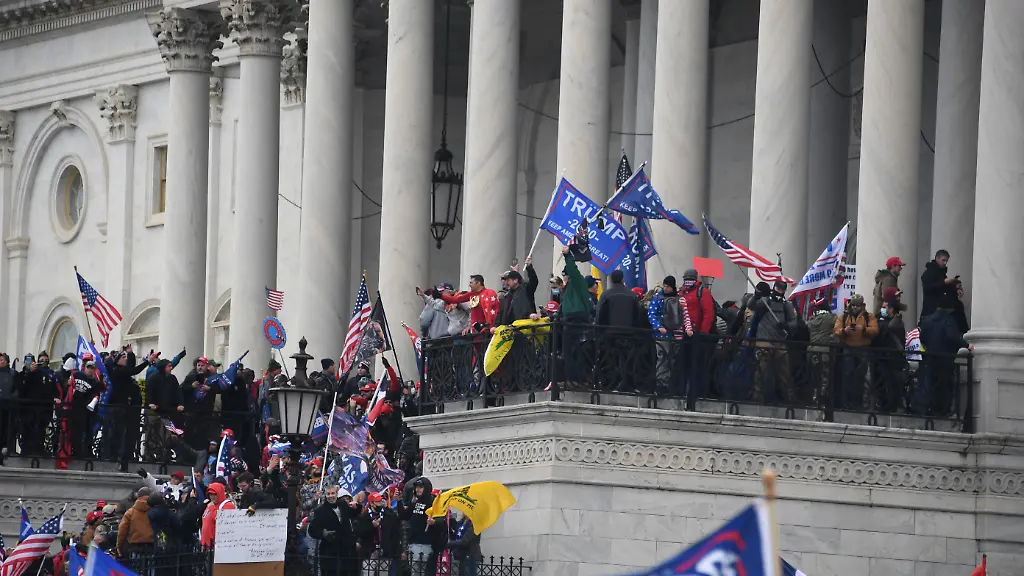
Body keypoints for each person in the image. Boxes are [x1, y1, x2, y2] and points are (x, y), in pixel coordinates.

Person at [916, 295, 973, 416]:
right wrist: (967, 345)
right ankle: (942, 410)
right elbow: (952, 336)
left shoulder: (928, 319)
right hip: (945, 357)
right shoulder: (948, 320)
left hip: (930, 356)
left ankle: (928, 409)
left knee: (930, 383)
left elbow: (922, 337)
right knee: (944, 384)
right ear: (949, 308)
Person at [833, 295, 878, 410]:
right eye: (853, 305)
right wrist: (844, 331)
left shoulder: (869, 316)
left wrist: (863, 329)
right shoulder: (844, 316)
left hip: (863, 349)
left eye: (857, 305)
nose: (854, 307)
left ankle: (859, 403)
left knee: (861, 377)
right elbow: (836, 330)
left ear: (862, 306)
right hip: (848, 348)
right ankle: (846, 403)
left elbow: (875, 330)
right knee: (847, 375)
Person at [648, 276, 692, 394]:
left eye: (668, 286)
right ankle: (661, 384)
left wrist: (688, 328)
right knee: (663, 358)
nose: (665, 288)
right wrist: (658, 327)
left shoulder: (680, 299)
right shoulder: (657, 298)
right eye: (664, 286)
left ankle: (671, 385)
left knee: (673, 360)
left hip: (676, 334)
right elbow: (652, 314)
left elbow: (685, 315)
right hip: (661, 334)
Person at [308, 484, 362, 576]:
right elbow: (312, 530)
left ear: (337, 494)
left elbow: (352, 514)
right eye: (328, 494)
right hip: (330, 551)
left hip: (347, 550)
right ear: (325, 495)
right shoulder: (320, 511)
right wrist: (323, 533)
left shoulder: (343, 504)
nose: (330, 496)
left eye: (332, 493)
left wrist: (357, 507)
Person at [399, 478, 443, 576]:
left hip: (426, 544)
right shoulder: (415, 501)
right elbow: (404, 516)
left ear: (426, 488)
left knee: (424, 572)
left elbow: (442, 521)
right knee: (415, 572)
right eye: (416, 487)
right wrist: (398, 501)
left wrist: (434, 522)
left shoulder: (433, 502)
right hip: (413, 543)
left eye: (420, 487)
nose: (417, 489)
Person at [356, 492, 402, 575]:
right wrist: (372, 526)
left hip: (384, 552)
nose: (380, 503)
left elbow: (396, 527)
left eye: (380, 501)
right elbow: (360, 533)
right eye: (377, 502)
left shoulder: (387, 514)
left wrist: (387, 508)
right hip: (369, 553)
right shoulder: (364, 516)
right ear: (371, 503)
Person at [498, 258, 539, 326]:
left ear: (515, 280)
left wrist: (529, 267)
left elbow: (533, 281)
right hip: (512, 327)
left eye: (508, 280)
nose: (506, 283)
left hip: (526, 326)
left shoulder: (525, 289)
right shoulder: (508, 295)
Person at [920, 249, 959, 322]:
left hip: (941, 310)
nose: (945, 263)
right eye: (943, 260)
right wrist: (944, 282)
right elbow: (928, 287)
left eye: (946, 261)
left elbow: (944, 288)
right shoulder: (929, 272)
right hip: (932, 310)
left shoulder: (941, 273)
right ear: (937, 258)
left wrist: (955, 287)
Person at [116, 487, 154, 557]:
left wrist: (119, 545)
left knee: (136, 563)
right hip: (151, 546)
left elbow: (122, 531)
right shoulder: (155, 511)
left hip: (135, 547)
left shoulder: (130, 512)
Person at [447, 508, 482, 576]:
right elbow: (456, 535)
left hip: (471, 555)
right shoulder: (461, 522)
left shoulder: (475, 524)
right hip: (462, 555)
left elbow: (465, 541)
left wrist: (448, 545)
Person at [200, 482, 235, 548]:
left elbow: (222, 521)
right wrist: (202, 542)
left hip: (218, 546)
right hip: (206, 545)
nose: (212, 496)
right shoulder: (211, 505)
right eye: (210, 494)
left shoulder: (227, 505)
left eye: (214, 494)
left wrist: (212, 508)